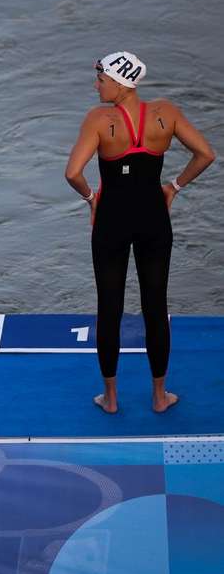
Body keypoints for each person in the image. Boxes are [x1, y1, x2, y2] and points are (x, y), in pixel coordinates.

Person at [65, 51, 215, 414]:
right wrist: (173, 187)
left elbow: (73, 173)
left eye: (101, 79)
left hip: (111, 221)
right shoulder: (166, 113)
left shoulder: (99, 120)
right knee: (155, 305)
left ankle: (111, 398)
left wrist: (91, 199)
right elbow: (206, 154)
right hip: (153, 217)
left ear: (120, 82)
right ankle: (160, 396)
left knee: (109, 308)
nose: (96, 85)